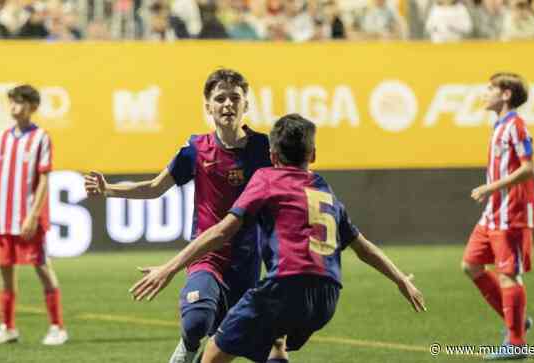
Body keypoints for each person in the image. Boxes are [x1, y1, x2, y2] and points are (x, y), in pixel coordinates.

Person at [130, 113, 426, 363]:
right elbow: (362, 248)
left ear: (272, 157)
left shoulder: (265, 178)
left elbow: (222, 231)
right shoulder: (323, 188)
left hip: (285, 286)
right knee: (276, 341)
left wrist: (168, 269)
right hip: (327, 296)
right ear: (313, 155)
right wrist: (401, 279)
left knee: (213, 352)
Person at [84, 68, 278, 363]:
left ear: (246, 105)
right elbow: (153, 188)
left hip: (248, 262)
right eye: (220, 98)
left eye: (235, 98)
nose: (228, 104)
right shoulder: (196, 149)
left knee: (243, 346)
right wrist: (108, 189)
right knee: (196, 322)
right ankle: (188, 346)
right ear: (208, 107)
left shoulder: (265, 149)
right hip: (206, 256)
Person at [0, 84, 67, 346]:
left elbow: (44, 180)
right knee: (4, 270)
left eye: (19, 102)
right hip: (5, 218)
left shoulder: (41, 137)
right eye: (11, 102)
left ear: (32, 107)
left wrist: (33, 215)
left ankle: (57, 327)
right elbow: (0, 178)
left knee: (42, 267)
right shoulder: (2, 137)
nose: (14, 107)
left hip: (27, 218)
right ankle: (8, 327)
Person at [462, 73, 534, 360]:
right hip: (494, 212)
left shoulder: (516, 126)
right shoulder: (499, 126)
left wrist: (490, 187)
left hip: (513, 213)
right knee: (471, 265)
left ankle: (516, 343)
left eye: (490, 88)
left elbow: (530, 168)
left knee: (509, 275)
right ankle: (517, 321)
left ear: (506, 95)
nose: (485, 92)